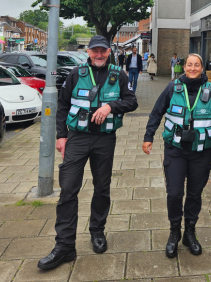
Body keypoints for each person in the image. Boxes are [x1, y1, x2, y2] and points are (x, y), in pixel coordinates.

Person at [37, 35, 138, 270]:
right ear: (89, 52)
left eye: (103, 51)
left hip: (105, 139)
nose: (99, 55)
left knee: (102, 188)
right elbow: (62, 105)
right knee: (68, 188)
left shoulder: (119, 75)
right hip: (77, 138)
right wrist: (61, 136)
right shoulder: (76, 74)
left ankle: (97, 231)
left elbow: (132, 101)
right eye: (95, 51)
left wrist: (110, 106)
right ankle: (64, 246)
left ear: (109, 52)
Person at [142, 53, 211, 258]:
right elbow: (156, 112)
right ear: (184, 68)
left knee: (194, 194)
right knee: (174, 193)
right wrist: (148, 137)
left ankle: (190, 231)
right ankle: (174, 231)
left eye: (196, 65)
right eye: (189, 65)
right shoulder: (173, 88)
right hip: (175, 150)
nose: (192, 68)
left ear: (202, 68)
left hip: (202, 152)